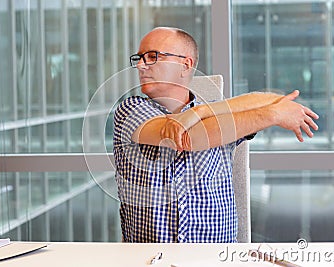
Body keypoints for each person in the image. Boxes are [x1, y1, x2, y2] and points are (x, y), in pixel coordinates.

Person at [113, 27, 319, 242]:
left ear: (186, 64)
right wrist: (273, 114)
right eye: (139, 58)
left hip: (217, 256)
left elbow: (270, 99)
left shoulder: (212, 111)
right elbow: (188, 138)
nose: (140, 65)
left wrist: (200, 110)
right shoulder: (130, 110)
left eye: (153, 56)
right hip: (151, 257)